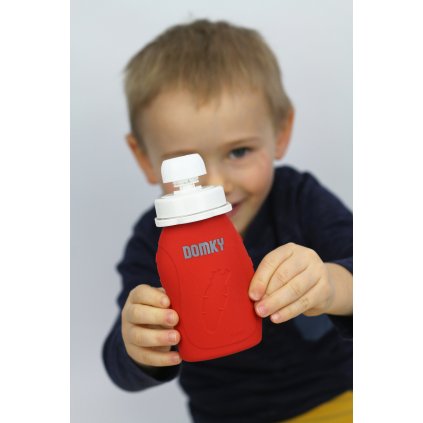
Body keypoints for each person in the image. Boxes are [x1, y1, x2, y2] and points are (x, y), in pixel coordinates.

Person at [102, 19, 353, 423]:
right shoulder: (153, 240)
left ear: (281, 131)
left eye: (238, 152)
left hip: (338, 400)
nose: (217, 184)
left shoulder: (298, 199)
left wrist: (330, 284)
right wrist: (139, 343)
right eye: (185, 163)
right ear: (145, 158)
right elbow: (120, 367)